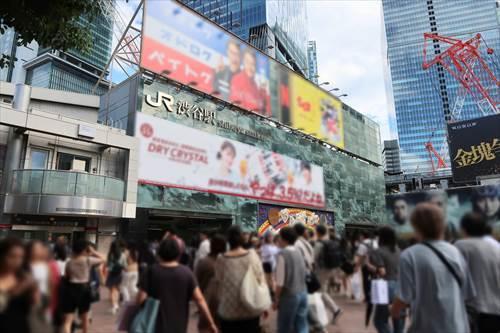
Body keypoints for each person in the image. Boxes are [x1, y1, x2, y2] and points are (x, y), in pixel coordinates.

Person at [390, 203, 475, 333]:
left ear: (415, 226)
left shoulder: (409, 255)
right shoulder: (455, 252)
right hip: (458, 327)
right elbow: (467, 293)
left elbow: (403, 297)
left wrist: (393, 311)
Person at [136, 238, 217, 333]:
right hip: (178, 326)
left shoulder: (150, 271)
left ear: (159, 253)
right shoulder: (186, 273)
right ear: (178, 254)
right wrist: (211, 323)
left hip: (154, 326)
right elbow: (200, 300)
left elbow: (140, 299)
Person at [215, 225, 266, 332]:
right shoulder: (252, 255)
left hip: (228, 311)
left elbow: (218, 282)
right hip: (250, 309)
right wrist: (264, 304)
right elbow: (261, 280)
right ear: (242, 238)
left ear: (228, 239)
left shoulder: (221, 258)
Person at [455, 213, 500, 332]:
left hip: (474, 311)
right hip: (496, 310)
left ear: (464, 229)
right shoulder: (496, 245)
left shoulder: (461, 246)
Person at [61, 240, 105, 333]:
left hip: (70, 289)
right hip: (83, 290)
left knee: (67, 320)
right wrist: (93, 252)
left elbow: (66, 276)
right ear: (85, 249)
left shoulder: (70, 262)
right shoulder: (88, 260)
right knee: (84, 319)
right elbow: (104, 259)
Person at [274, 226, 308, 333]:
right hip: (303, 292)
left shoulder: (283, 254)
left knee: (284, 327)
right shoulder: (298, 251)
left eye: (279, 237)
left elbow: (280, 282)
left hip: (289, 296)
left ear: (285, 239)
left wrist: (276, 299)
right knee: (301, 325)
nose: (278, 239)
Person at [370, 227, 405, 333]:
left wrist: (369, 266)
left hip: (385, 287)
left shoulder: (378, 251)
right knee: (398, 320)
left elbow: (382, 272)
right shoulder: (399, 251)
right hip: (401, 287)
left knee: (380, 320)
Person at [0, 237, 38, 333]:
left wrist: (34, 290)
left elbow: (34, 306)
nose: (17, 261)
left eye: (20, 257)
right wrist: (18, 290)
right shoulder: (22, 283)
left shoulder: (24, 278)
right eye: (12, 256)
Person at [195, 234, 226, 333]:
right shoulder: (224, 263)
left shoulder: (203, 262)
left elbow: (196, 283)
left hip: (205, 306)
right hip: (222, 307)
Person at [313, 225, 342, 319]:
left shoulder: (319, 244)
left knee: (319, 291)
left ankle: (335, 310)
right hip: (330, 269)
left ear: (317, 233)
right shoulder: (331, 242)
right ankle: (333, 310)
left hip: (321, 270)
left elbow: (313, 258)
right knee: (322, 290)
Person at [229, 49, 269, 115]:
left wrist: (263, 92)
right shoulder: (237, 79)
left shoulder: (255, 84)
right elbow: (237, 104)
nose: (251, 67)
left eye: (253, 64)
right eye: (248, 62)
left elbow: (262, 109)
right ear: (243, 62)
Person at [105, 240, 126, 314]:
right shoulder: (123, 255)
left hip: (111, 274)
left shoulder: (110, 254)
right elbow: (125, 266)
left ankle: (114, 306)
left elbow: (108, 266)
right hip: (119, 274)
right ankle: (115, 305)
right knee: (116, 290)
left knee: (112, 291)